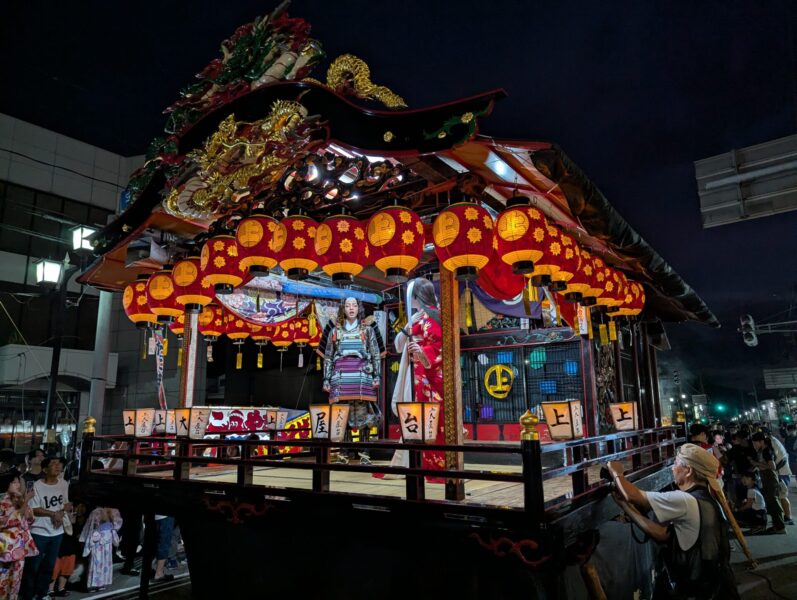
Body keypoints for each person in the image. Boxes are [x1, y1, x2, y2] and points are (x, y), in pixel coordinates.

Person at [606, 444, 740, 599]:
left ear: (688, 471)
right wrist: (625, 506)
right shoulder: (707, 500)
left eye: (676, 463)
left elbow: (633, 495)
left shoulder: (685, 500)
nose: (672, 468)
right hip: (714, 587)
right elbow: (663, 535)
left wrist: (617, 472)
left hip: (697, 590)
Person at [323, 297, 381, 465]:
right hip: (340, 377)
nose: (351, 308)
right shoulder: (335, 331)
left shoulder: (367, 330)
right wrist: (326, 378)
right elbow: (328, 356)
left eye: (354, 305)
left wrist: (377, 376)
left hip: (362, 376)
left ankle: (364, 454)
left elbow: (375, 354)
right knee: (343, 415)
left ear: (358, 308)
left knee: (365, 416)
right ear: (343, 309)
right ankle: (343, 454)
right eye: (347, 305)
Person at [21, 457, 72, 600]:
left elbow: (66, 504)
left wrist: (61, 513)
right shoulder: (37, 485)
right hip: (39, 531)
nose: (57, 466)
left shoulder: (64, 484)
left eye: (59, 464)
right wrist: (53, 514)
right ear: (45, 469)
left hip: (57, 532)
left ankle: (42, 594)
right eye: (53, 464)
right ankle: (28, 595)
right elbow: (34, 508)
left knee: (49, 566)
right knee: (33, 566)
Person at [0, 474, 38, 600]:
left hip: (18, 547)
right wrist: (25, 501)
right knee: (3, 579)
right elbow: (9, 520)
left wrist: (23, 501)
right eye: (14, 482)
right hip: (4, 547)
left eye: (18, 482)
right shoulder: (2, 500)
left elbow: (28, 520)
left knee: (15, 580)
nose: (18, 485)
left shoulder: (17, 500)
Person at [750, 432, 787, 533]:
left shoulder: (767, 451)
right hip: (766, 478)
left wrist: (756, 463)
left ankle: (781, 527)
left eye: (755, 443)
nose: (754, 445)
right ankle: (777, 526)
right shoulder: (762, 450)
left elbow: (773, 467)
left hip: (770, 478)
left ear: (761, 441)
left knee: (774, 502)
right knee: (770, 503)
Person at [79, 507, 122, 592]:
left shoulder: (113, 511)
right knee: (96, 561)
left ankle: (101, 583)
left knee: (105, 562)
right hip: (97, 539)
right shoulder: (97, 512)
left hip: (107, 540)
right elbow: (92, 525)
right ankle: (92, 584)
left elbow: (117, 525)